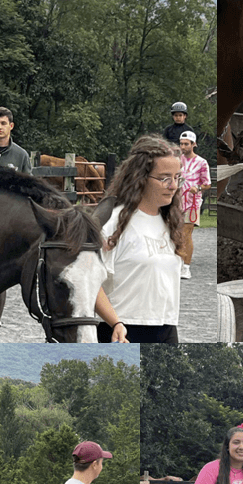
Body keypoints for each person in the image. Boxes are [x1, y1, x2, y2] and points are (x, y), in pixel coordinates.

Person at [97, 134, 184, 344]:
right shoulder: (114, 223)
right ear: (141, 178)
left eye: (177, 177)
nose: (173, 186)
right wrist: (115, 323)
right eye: (164, 178)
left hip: (167, 329)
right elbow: (90, 284)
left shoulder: (170, 222)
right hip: (121, 332)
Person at [178, 130, 211, 280]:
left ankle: (186, 267)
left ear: (194, 144)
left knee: (186, 234)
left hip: (192, 203)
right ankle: (176, 263)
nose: (183, 146)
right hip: (176, 202)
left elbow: (207, 184)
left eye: (186, 144)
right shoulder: (177, 160)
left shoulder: (202, 162)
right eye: (181, 143)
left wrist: (197, 188)